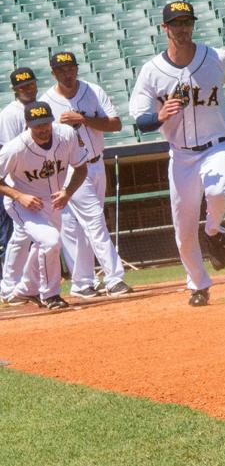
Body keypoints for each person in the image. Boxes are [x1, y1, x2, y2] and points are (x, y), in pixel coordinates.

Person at [129, 0, 225, 307]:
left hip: (218, 143)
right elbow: (140, 120)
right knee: (184, 228)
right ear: (164, 28)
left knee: (218, 190)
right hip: (181, 155)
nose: (182, 28)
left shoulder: (215, 57)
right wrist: (160, 115)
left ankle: (215, 231)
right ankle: (199, 285)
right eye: (175, 23)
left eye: (186, 22)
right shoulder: (151, 71)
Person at [42, 51, 133, 299]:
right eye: (61, 70)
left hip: (96, 163)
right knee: (94, 220)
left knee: (75, 227)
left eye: (70, 68)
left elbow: (116, 124)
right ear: (53, 73)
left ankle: (82, 283)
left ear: (77, 69)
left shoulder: (92, 90)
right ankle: (114, 278)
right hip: (72, 169)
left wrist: (82, 118)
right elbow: (43, 140)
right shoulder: (46, 102)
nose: (67, 73)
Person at [0, 101, 89, 311]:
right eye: (37, 125)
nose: (43, 129)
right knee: (50, 241)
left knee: (44, 243)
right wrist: (19, 196)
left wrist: (68, 192)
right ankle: (51, 294)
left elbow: (81, 168)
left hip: (52, 201)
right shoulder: (16, 147)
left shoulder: (66, 135)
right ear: (28, 125)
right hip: (21, 203)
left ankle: (23, 290)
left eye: (45, 123)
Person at [1, 67, 46, 303]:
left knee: (25, 237)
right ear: (15, 90)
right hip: (18, 183)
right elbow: (11, 151)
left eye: (29, 84)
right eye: (21, 86)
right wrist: (18, 191)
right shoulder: (10, 114)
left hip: (41, 180)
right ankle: (12, 287)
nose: (27, 89)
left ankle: (19, 286)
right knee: (24, 237)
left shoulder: (43, 106)